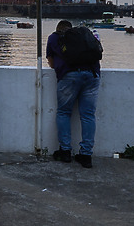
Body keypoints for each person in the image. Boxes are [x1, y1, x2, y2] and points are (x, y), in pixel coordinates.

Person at [46, 20, 101, 168]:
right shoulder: (86, 36)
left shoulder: (54, 38)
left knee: (64, 112)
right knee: (88, 115)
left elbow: (51, 63)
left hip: (69, 77)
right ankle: (86, 155)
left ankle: (65, 152)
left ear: (58, 29)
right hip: (92, 75)